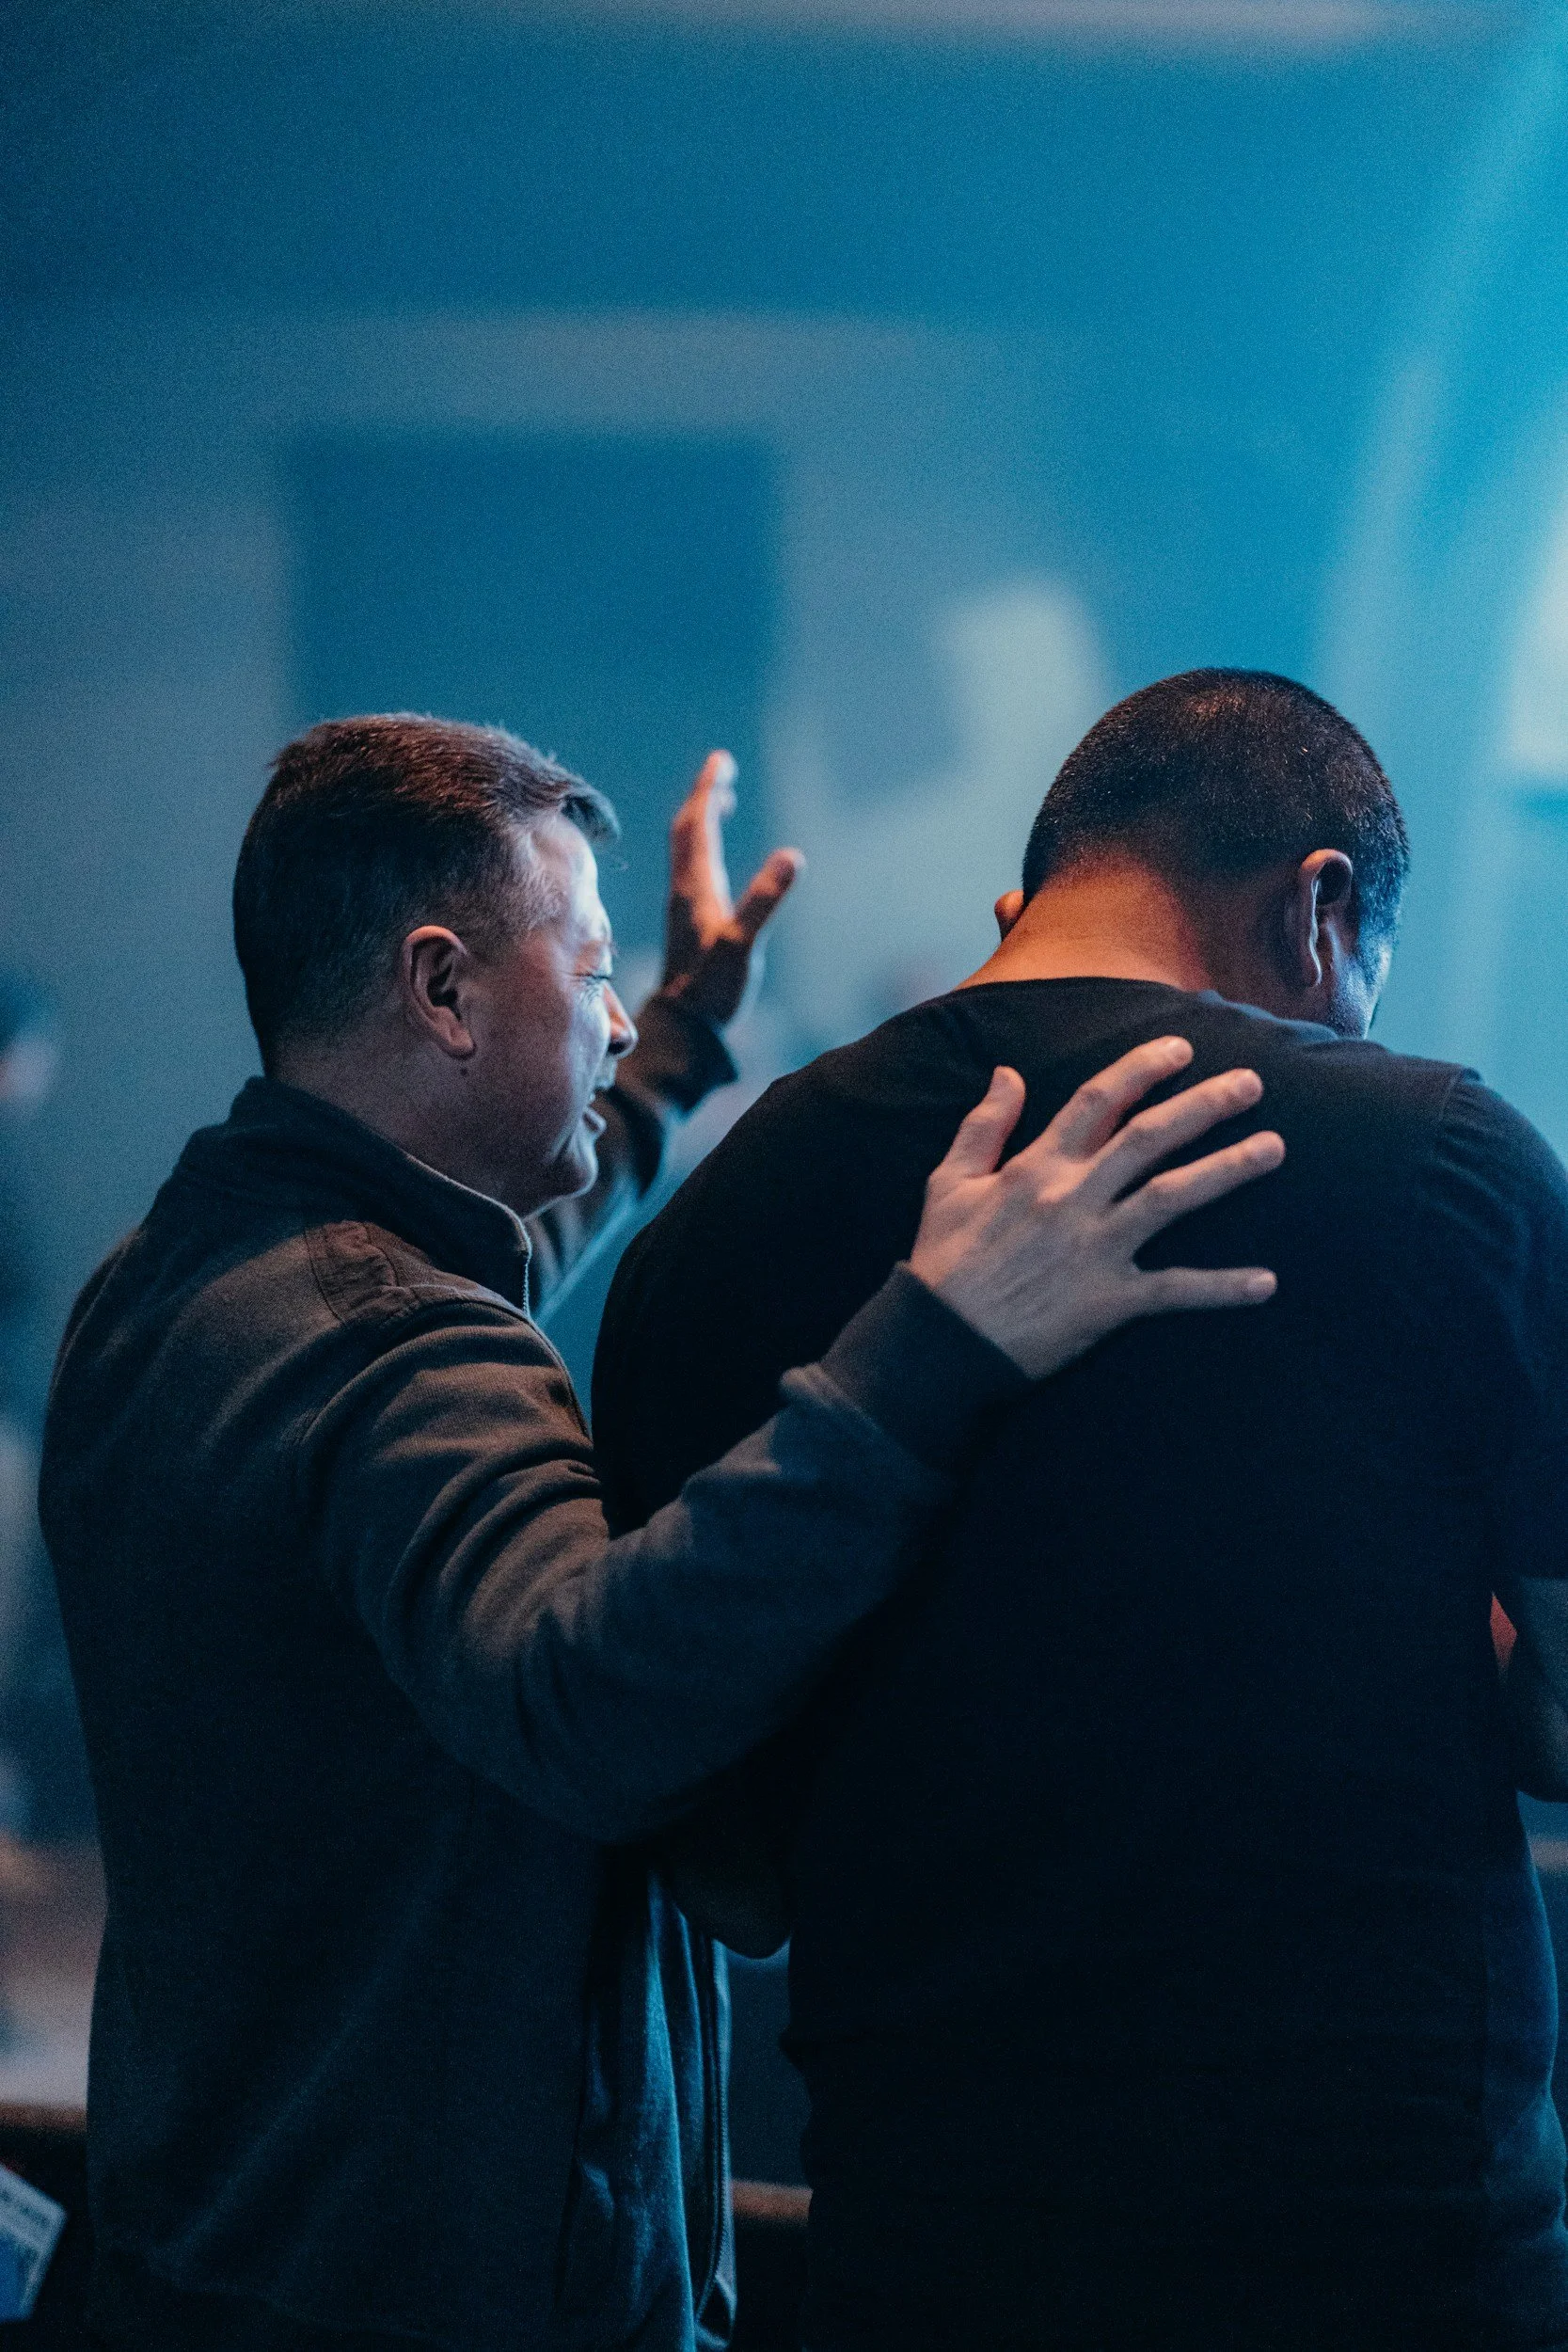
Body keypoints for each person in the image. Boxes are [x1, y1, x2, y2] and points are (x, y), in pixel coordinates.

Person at [38, 712, 1285, 2352]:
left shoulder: (176, 1285)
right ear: (441, 988)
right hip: (413, 2297)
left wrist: (687, 1031)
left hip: (204, 2248)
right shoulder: (394, 1350)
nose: (618, 1015)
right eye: (594, 963)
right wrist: (946, 1334)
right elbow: (593, 1702)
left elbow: (481, 1271)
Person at [594, 669, 1568, 2352]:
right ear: (1318, 908)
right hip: (1390, 2242)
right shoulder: (1445, 1160)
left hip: (941, 2237)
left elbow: (728, 1876)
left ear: (1024, 904)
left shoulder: (722, 1216)